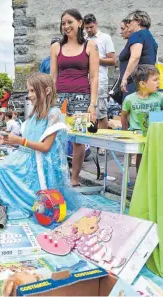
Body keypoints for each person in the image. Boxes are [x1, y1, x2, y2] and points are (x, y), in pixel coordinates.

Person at [0, 73, 79, 219]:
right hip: (27, 157)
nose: (29, 95)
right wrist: (5, 140)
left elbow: (45, 147)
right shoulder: (33, 114)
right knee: (2, 168)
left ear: (47, 90)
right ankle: (16, 201)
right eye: (28, 91)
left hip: (40, 163)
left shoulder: (54, 113)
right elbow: (26, 142)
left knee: (4, 169)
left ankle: (27, 203)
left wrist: (18, 141)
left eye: (32, 90)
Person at [50, 8, 99, 187]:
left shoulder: (90, 46)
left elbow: (94, 77)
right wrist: (49, 101)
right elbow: (53, 77)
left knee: (78, 139)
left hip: (82, 96)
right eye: (63, 23)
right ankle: (57, 175)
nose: (66, 26)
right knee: (55, 137)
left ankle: (74, 179)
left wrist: (92, 104)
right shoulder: (56, 47)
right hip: (60, 97)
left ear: (80, 23)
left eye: (70, 22)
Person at [121, 65, 163, 169]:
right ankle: (140, 179)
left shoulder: (160, 97)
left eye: (158, 79)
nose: (158, 82)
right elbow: (123, 116)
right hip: (137, 135)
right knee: (141, 157)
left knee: (157, 158)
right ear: (143, 84)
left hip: (155, 133)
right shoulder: (130, 99)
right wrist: (125, 131)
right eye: (155, 80)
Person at [84, 13, 116, 134]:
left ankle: (102, 143)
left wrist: (95, 58)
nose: (89, 30)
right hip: (85, 79)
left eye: (91, 27)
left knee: (101, 111)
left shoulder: (105, 38)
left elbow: (113, 60)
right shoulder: (84, 39)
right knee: (87, 110)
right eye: (86, 28)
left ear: (96, 24)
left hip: (100, 79)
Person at [119, 10, 158, 98]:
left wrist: (125, 78)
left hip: (135, 82)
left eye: (130, 21)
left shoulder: (137, 35)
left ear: (139, 21)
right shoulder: (149, 36)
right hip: (148, 80)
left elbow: (135, 57)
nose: (128, 24)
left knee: (133, 109)